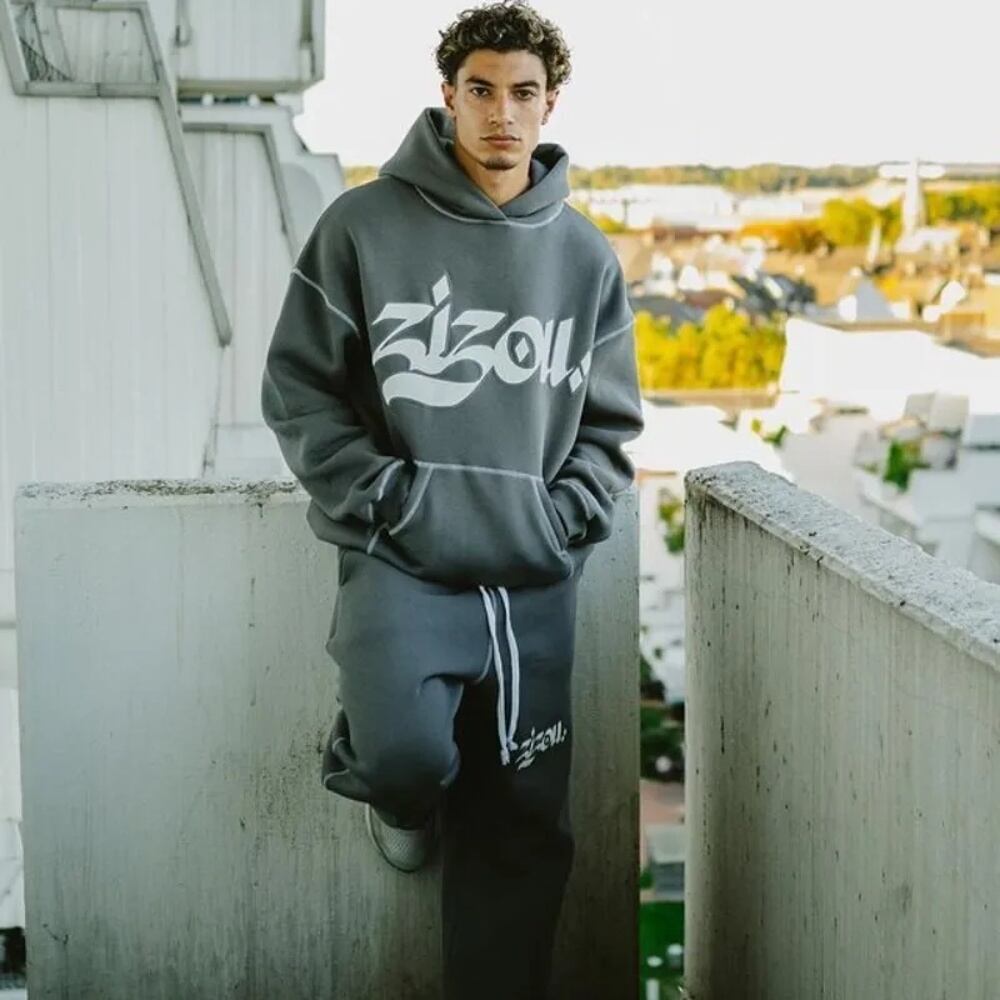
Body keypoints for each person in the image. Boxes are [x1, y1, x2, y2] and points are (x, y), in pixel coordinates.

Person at [260, 2, 642, 996]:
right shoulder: (361, 227)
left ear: (550, 103)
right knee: (401, 756)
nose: (501, 113)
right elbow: (298, 389)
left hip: (529, 579)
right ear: (449, 96)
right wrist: (386, 496)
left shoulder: (585, 258)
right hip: (402, 559)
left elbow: (609, 431)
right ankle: (404, 806)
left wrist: (561, 520)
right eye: (481, 89)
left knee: (522, 822)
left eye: (522, 92)